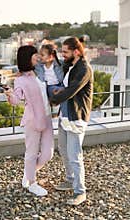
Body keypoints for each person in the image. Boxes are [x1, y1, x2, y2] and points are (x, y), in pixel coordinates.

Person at [50, 37, 93, 206]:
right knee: (63, 148)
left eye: (65, 52)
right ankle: (70, 180)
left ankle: (80, 192)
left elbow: (71, 90)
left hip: (76, 117)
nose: (63, 54)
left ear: (76, 52)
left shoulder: (84, 69)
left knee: (75, 156)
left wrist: (52, 99)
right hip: (65, 115)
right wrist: (54, 56)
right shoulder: (71, 65)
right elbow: (63, 76)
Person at [5, 45, 54, 197]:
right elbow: (16, 99)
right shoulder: (20, 80)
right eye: (34, 56)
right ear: (27, 58)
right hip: (32, 119)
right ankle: (32, 183)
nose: (37, 58)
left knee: (48, 154)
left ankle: (28, 172)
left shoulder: (38, 72)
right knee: (31, 153)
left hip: (47, 118)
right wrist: (8, 93)